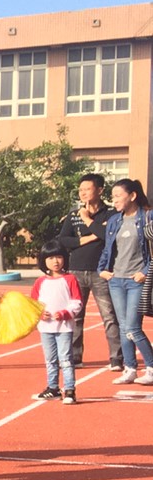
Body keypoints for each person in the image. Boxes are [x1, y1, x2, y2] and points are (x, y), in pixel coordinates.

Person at [55, 173, 119, 370]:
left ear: (100, 190)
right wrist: (89, 238)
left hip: (101, 272)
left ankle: (116, 358)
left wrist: (88, 221)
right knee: (75, 316)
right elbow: (63, 240)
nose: (83, 193)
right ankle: (75, 357)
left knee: (109, 316)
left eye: (87, 189)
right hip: (76, 271)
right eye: (80, 190)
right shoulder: (74, 215)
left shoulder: (111, 214)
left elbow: (108, 235)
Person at [96, 178, 153, 385]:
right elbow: (108, 248)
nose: (115, 200)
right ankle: (130, 369)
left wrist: (145, 272)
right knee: (123, 327)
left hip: (136, 280)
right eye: (113, 197)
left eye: (118, 196)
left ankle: (151, 367)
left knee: (133, 327)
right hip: (116, 280)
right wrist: (102, 269)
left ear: (133, 196)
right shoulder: (114, 220)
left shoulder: (148, 217)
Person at [31, 242, 83, 404]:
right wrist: (40, 313)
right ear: (43, 260)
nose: (55, 261)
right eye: (51, 258)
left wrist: (64, 313)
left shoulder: (70, 279)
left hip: (64, 328)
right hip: (46, 328)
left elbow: (77, 302)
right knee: (50, 359)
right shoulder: (40, 282)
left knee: (66, 359)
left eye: (59, 257)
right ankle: (53, 388)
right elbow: (33, 304)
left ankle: (69, 390)